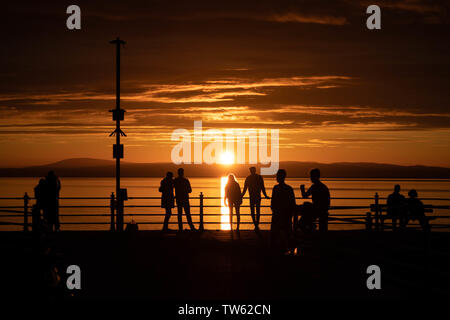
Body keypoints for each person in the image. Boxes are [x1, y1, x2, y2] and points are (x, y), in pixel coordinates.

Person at [270, 169, 296, 253]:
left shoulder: (276, 188)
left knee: (275, 234)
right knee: (287, 233)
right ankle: (289, 251)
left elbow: (273, 202)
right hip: (286, 215)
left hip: (278, 215)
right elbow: (292, 202)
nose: (276, 177)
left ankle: (275, 252)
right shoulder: (289, 189)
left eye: (277, 176)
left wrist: (274, 210)